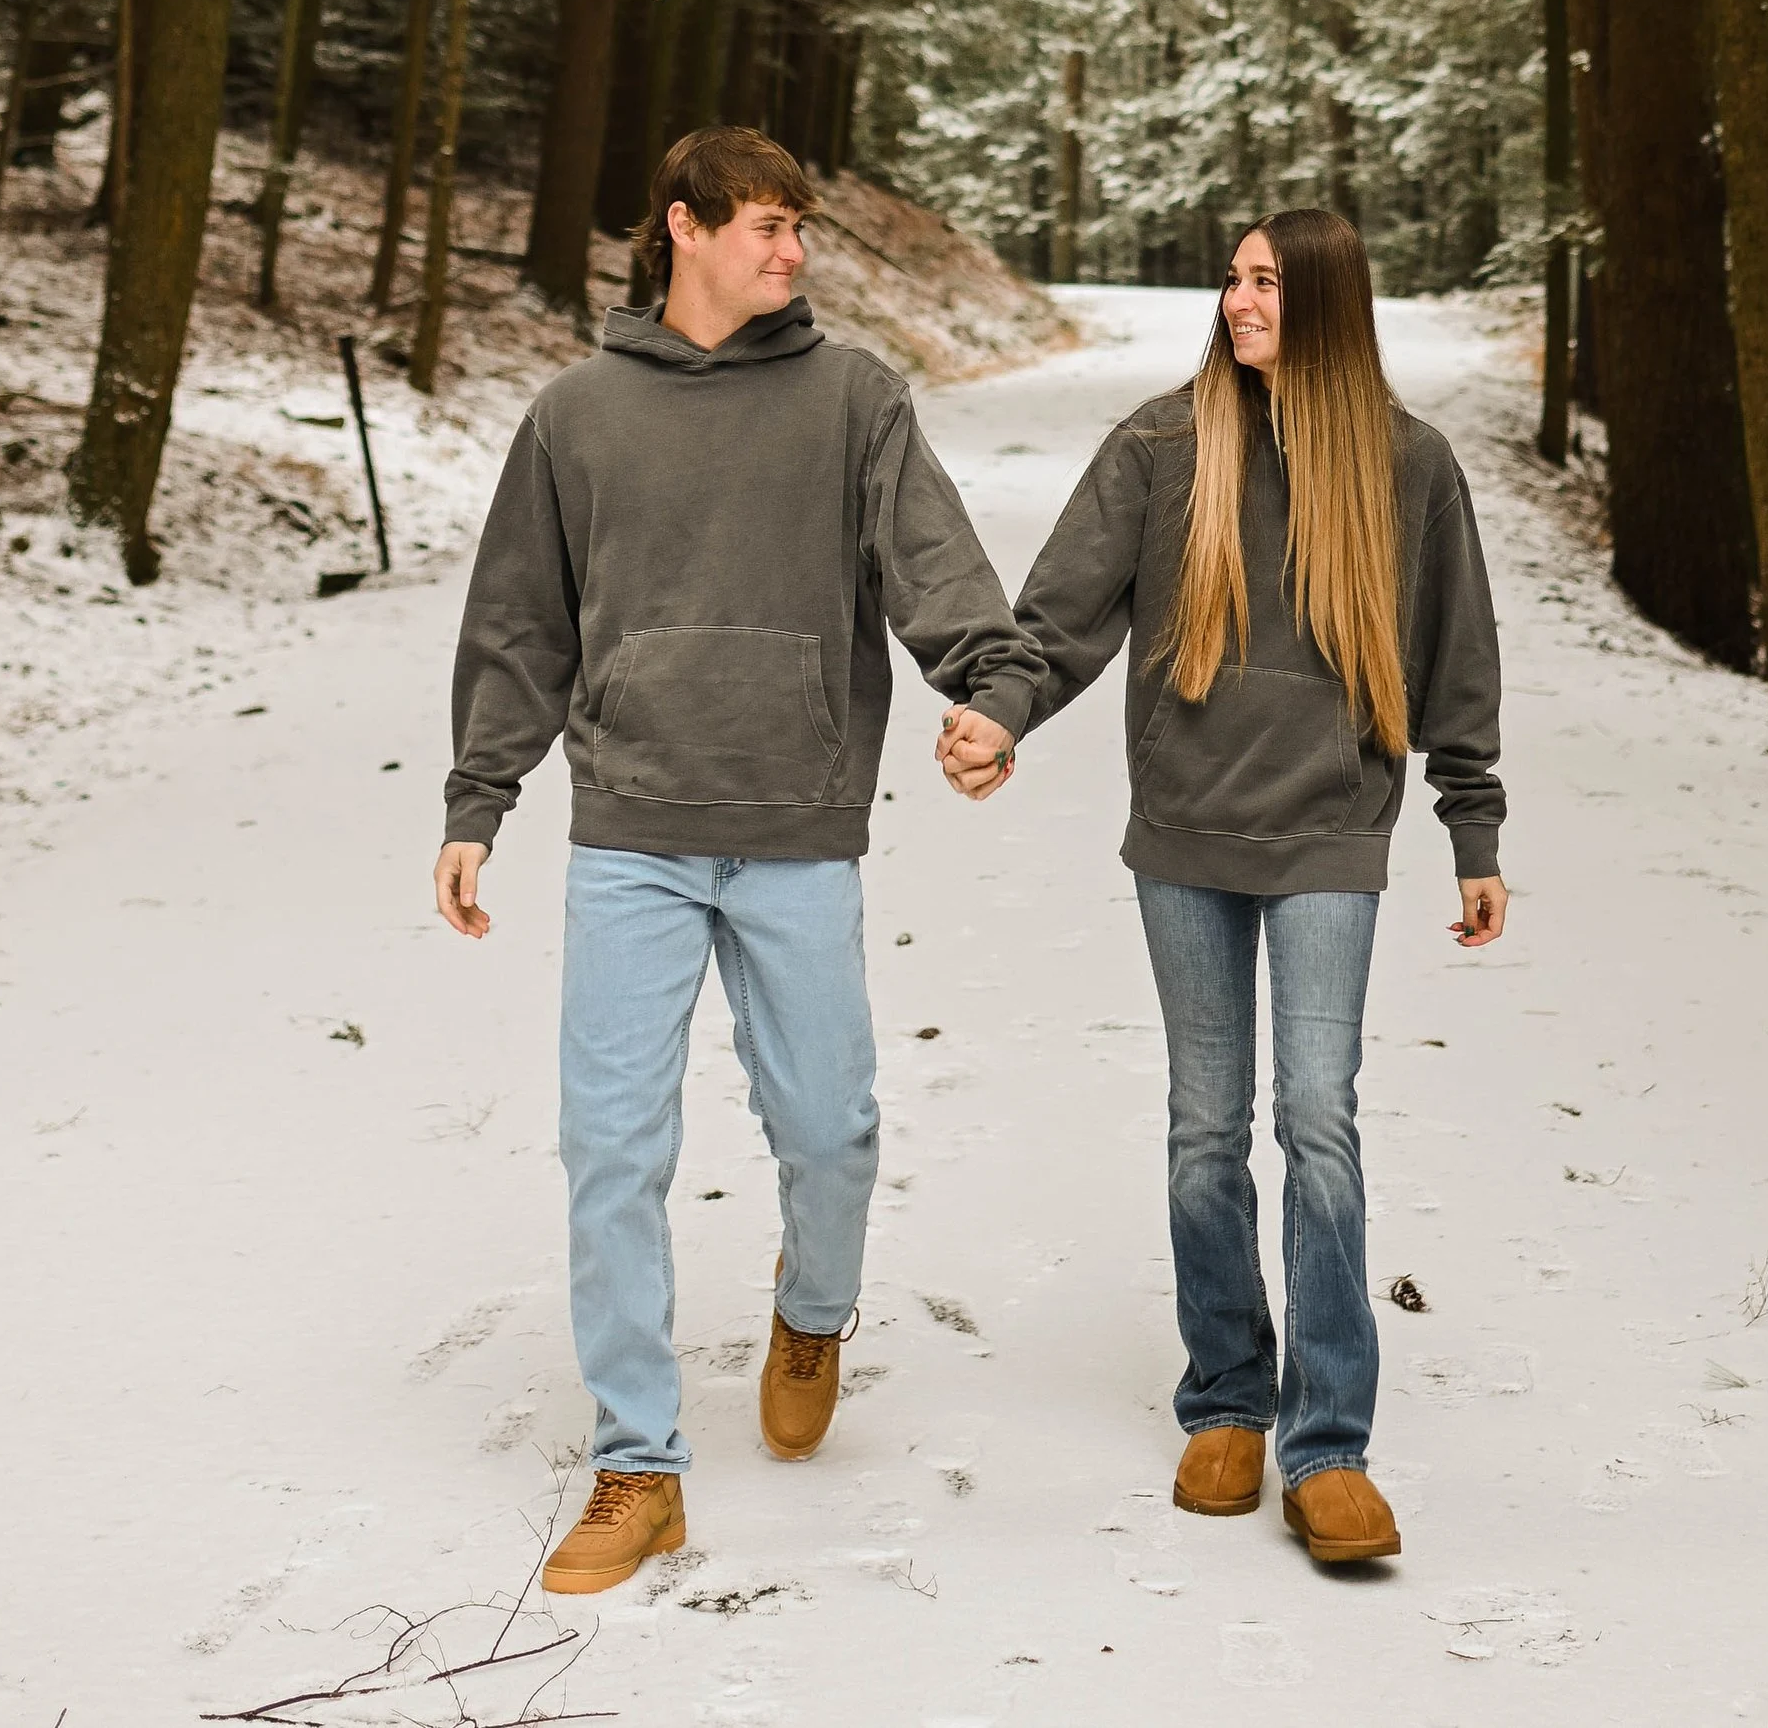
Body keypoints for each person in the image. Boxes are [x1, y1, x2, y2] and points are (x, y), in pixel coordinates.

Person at [436, 125, 1036, 1598]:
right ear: (684, 227)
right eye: (769, 225)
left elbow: (944, 576)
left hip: (795, 827)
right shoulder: (576, 416)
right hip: (631, 829)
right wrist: (475, 799)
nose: (795, 252)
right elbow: (522, 622)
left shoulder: (853, 400)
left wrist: (992, 695)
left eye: (802, 229)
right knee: (612, 1152)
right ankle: (639, 1466)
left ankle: (811, 1307)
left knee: (829, 1130)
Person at [945, 206, 1504, 1569]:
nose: (1238, 298)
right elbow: (1061, 612)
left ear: (1323, 302)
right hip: (1188, 834)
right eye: (1235, 277)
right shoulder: (1158, 445)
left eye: (1266, 280)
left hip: (1329, 832)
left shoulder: (1406, 465)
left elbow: (1456, 653)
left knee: (1318, 1119)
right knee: (1207, 1128)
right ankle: (1227, 1398)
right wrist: (1000, 711)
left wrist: (1472, 824)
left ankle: (1327, 1444)